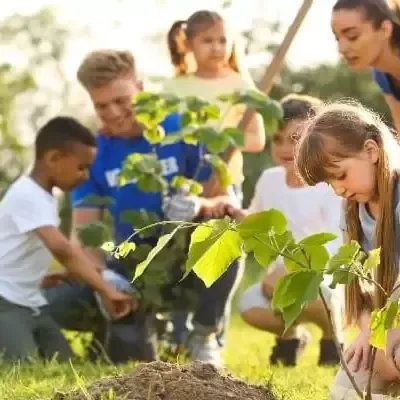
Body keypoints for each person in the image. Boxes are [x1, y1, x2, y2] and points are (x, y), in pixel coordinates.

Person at [45, 49, 241, 366]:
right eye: (101, 105)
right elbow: (84, 233)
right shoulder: (92, 153)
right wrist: (103, 277)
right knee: (56, 304)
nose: (113, 112)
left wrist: (199, 204)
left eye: (121, 100)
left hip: (184, 260)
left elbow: (228, 203)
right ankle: (128, 326)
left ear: (140, 88)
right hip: (132, 266)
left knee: (225, 235)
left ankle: (203, 335)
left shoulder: (185, 129)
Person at [163, 9, 265, 351]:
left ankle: (208, 334)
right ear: (188, 43)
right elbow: (164, 140)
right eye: (207, 40)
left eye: (222, 40)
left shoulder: (239, 84)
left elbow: (256, 140)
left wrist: (226, 142)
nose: (217, 47)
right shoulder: (177, 86)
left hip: (225, 187)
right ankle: (176, 331)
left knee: (223, 251)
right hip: (185, 185)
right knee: (180, 257)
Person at [0, 116, 133, 362]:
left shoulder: (45, 196)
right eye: (81, 167)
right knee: (22, 366)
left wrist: (44, 278)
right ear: (53, 159)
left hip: (31, 302)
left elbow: (14, 251)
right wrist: (106, 290)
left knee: (64, 363)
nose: (85, 176)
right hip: (6, 302)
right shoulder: (27, 194)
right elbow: (62, 248)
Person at [227, 94, 344, 367]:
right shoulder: (270, 180)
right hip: (278, 280)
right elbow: (254, 221)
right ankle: (290, 337)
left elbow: (334, 244)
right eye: (277, 139)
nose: (284, 148)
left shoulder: (328, 186)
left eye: (296, 138)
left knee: (319, 293)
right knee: (248, 306)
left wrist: (289, 270)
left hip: (322, 275)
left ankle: (332, 337)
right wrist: (232, 212)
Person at [294, 101, 400, 398]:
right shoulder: (353, 212)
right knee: (346, 390)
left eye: (340, 175)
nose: (338, 189)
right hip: (386, 324)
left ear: (371, 151)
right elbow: (360, 288)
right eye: (329, 183)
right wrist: (367, 331)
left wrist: (388, 332)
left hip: (396, 323)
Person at [331, 0, 400, 133]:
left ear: (385, 29)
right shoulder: (380, 75)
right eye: (337, 38)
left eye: (352, 36)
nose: (341, 49)